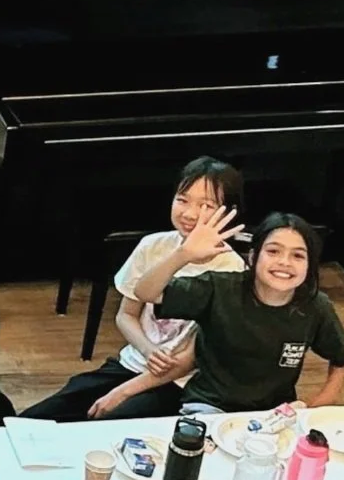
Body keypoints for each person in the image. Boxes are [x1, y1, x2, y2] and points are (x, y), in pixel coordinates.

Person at [19, 157, 248, 422]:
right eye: (182, 200)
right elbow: (126, 314)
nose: (189, 213)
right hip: (132, 362)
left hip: (178, 383)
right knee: (39, 416)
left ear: (229, 212)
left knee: (107, 422)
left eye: (206, 205)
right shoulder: (152, 246)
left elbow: (192, 358)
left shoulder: (233, 271)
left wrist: (123, 392)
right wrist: (149, 350)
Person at [130, 211, 344, 414]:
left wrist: (313, 407)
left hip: (274, 413)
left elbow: (341, 359)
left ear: (309, 265)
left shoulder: (316, 306)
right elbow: (145, 292)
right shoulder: (220, 288)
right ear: (253, 257)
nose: (284, 262)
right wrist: (183, 255)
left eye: (298, 256)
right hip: (209, 404)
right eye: (273, 251)